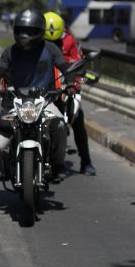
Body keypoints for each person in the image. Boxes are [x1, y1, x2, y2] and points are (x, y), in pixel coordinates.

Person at [0, 7, 74, 210]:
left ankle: (58, 165)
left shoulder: (51, 49)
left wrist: (71, 84)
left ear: (39, 31)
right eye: (22, 30)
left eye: (31, 31)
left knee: (59, 125)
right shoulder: (10, 51)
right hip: (14, 102)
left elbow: (65, 68)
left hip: (45, 100)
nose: (26, 35)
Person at [43, 11, 96, 176]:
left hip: (67, 83)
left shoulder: (70, 40)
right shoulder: (36, 42)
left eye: (57, 41)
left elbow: (77, 61)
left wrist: (75, 81)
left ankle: (86, 161)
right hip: (44, 85)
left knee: (78, 118)